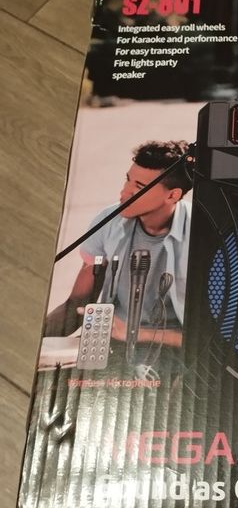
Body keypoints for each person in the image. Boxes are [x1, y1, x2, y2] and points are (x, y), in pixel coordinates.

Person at [45, 140, 192, 351]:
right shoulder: (108, 220)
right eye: (127, 180)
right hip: (115, 344)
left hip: (176, 352)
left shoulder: (202, 234)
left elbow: (215, 337)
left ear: (172, 195)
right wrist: (32, 335)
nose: (124, 192)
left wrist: (136, 333)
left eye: (139, 187)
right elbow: (77, 304)